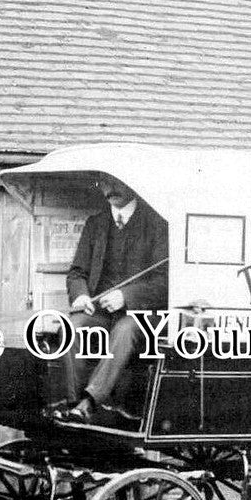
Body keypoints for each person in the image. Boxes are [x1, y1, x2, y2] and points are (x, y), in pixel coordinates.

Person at [55, 181, 168, 425]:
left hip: (143, 315)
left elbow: (164, 282)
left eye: (116, 182)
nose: (110, 189)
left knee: (125, 329)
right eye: (105, 183)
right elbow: (77, 273)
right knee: (73, 327)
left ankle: (90, 402)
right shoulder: (95, 223)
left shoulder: (157, 224)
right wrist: (81, 296)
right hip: (100, 313)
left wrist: (126, 296)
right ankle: (75, 406)